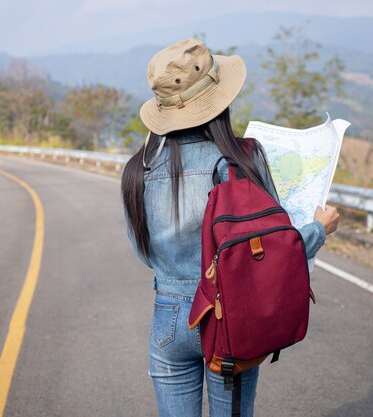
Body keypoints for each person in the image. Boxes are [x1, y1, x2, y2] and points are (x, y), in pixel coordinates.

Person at [121, 39, 340, 417]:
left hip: (168, 318)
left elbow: (144, 251)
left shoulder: (137, 170)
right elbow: (270, 254)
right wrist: (318, 229)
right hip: (230, 316)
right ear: (219, 101)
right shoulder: (242, 160)